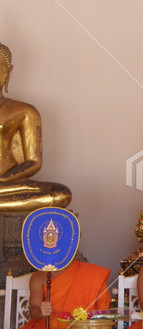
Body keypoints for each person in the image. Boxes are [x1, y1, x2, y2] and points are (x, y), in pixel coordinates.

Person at [0, 41, 71, 212]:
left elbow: (33, 161)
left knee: (61, 194)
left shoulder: (25, 111)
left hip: (9, 183)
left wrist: (5, 179)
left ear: (9, 72)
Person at [2, 260, 111, 329]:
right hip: (46, 328)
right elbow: (34, 309)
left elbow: (102, 314)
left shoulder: (90, 274)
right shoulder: (38, 277)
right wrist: (40, 312)